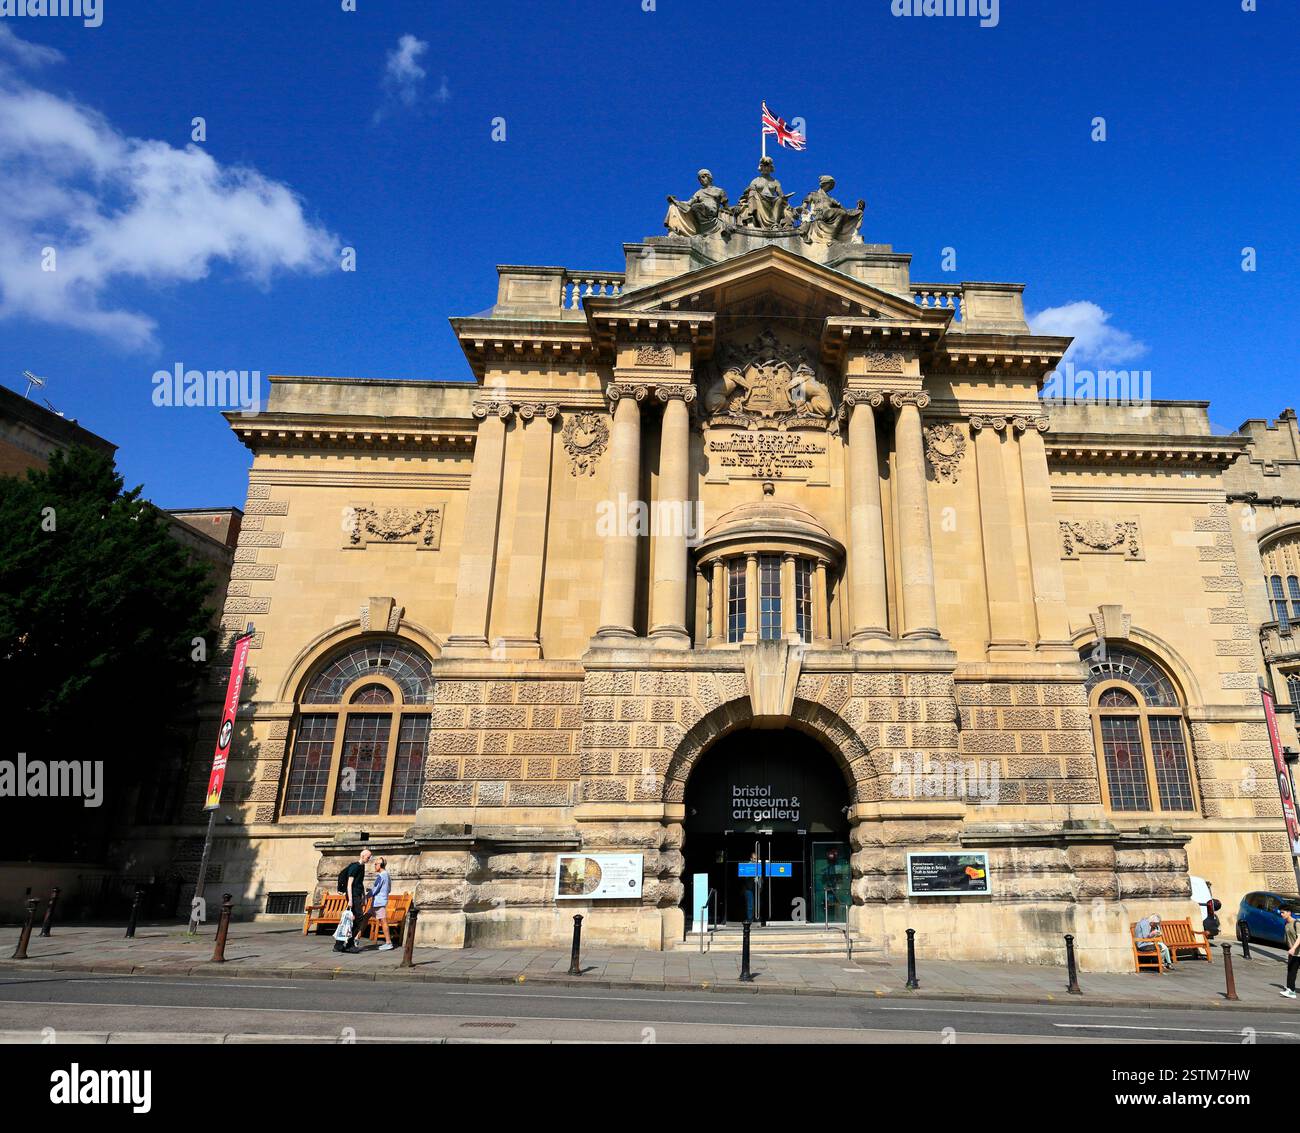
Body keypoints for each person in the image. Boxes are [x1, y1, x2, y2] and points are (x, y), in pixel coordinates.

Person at [334, 847, 372, 954]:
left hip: (357, 896)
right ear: (363, 856)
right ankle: (349, 945)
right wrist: (350, 899)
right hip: (353, 896)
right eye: (368, 857)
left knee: (351, 920)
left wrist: (364, 897)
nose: (369, 859)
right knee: (359, 919)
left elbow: (360, 883)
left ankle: (339, 945)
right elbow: (349, 884)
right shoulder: (355, 867)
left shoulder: (361, 866)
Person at [369, 856, 394, 952]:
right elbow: (389, 889)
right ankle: (356, 938)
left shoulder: (381, 875)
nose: (374, 866)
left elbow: (375, 889)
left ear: (381, 865)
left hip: (378, 902)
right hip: (380, 900)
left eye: (376, 864)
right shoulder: (387, 875)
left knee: (383, 921)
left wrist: (367, 896)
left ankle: (388, 943)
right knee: (366, 916)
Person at [1280, 908, 1300, 999]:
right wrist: (1290, 949)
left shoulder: (1297, 923)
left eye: (1283, 912)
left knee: (1292, 971)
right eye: (1280, 912)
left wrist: (1293, 948)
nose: (1281, 914)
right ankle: (1290, 989)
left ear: (1289, 913)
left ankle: (1291, 990)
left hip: (1297, 952)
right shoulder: (1286, 924)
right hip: (1293, 953)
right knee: (1291, 971)